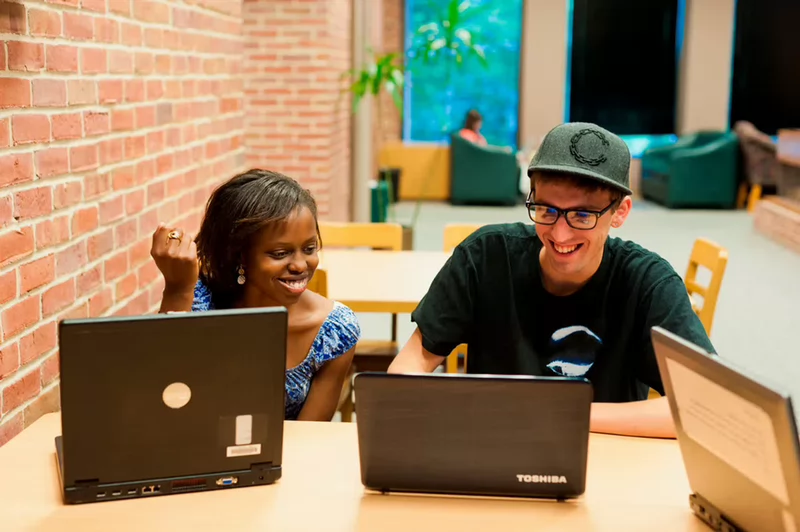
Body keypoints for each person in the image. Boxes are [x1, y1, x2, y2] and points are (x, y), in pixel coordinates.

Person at [388, 122, 715, 439]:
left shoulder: (647, 282)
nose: (560, 234)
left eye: (582, 216)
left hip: (605, 463)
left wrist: (560, 411)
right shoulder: (486, 256)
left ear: (620, 212)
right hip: (494, 451)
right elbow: (413, 361)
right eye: (546, 210)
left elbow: (705, 408)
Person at [150, 169, 360, 422]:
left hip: (286, 457)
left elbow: (310, 434)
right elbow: (161, 399)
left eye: (309, 248)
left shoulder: (334, 332)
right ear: (238, 255)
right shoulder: (198, 301)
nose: (300, 265)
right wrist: (176, 289)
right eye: (280, 253)